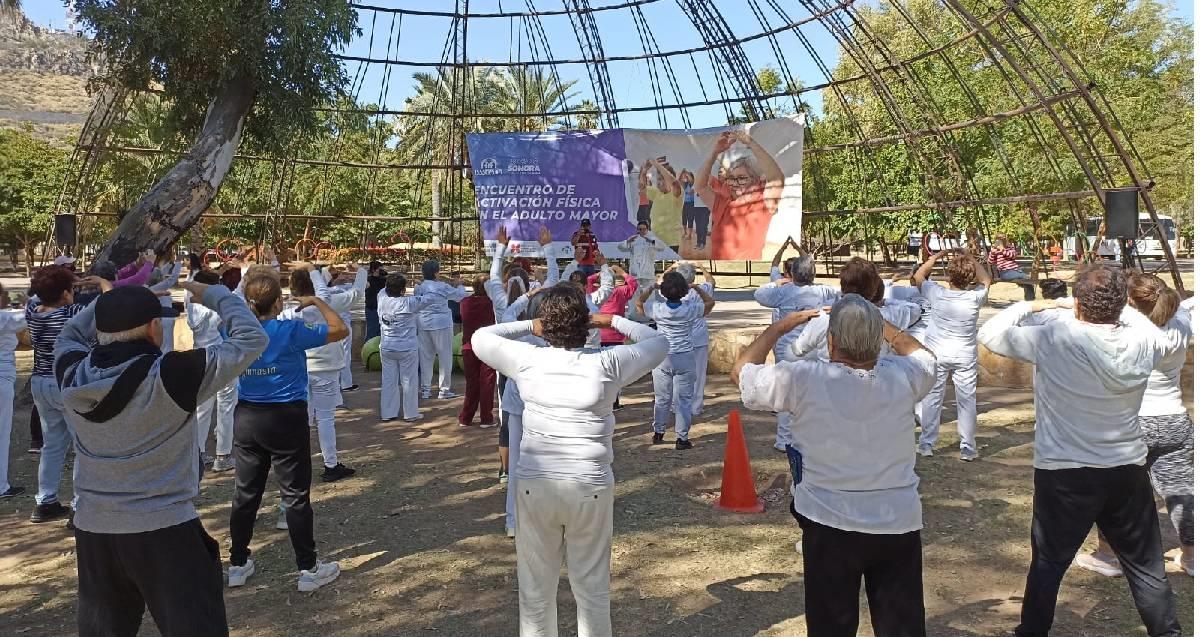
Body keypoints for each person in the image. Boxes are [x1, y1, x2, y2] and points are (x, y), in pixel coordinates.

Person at [978, 264, 1182, 637]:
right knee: (1146, 566)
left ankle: (1032, 631)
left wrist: (1036, 306)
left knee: (1049, 563)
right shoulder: (1147, 341)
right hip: (1125, 468)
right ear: (1122, 304)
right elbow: (1149, 328)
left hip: (1065, 471)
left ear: (1077, 302)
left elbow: (990, 332)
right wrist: (1115, 307)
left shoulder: (1054, 336)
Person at [55, 278, 267, 637]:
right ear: (154, 329)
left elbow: (70, 335)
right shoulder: (173, 374)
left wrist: (110, 300)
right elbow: (252, 339)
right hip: (164, 529)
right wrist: (217, 295)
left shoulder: (71, 373)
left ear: (101, 330)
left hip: (94, 529)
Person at [472, 284, 669, 637]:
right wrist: (612, 320)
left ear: (547, 326)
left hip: (536, 485)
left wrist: (532, 325)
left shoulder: (528, 360)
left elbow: (481, 337)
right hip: (589, 484)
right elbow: (658, 341)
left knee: (535, 593)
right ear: (586, 324)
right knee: (592, 591)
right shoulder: (607, 363)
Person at [735, 294, 936, 637]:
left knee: (831, 626)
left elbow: (741, 372)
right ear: (877, 341)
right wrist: (878, 323)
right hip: (897, 519)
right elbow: (925, 357)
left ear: (830, 341)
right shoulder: (904, 375)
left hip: (828, 521)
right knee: (902, 627)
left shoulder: (803, 378)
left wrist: (782, 325)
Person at [227, 270, 347, 592]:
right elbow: (340, 329)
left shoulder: (239, 332)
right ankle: (308, 570)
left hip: (248, 417)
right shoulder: (291, 329)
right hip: (286, 417)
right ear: (279, 302)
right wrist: (316, 300)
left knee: (245, 493)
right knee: (295, 496)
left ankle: (237, 563)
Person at [1074, 274, 1193, 578]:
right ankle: (1192, 557)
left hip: (1129, 420)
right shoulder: (1180, 322)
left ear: (1129, 303)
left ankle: (1108, 555)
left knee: (1115, 491)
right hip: (1174, 420)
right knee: (1181, 490)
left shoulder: (1127, 328)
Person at [26, 265, 92, 524]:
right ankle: (79, 504)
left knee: (52, 445)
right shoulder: (72, 313)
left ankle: (45, 501)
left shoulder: (34, 313)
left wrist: (63, 283)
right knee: (83, 446)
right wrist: (99, 283)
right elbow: (106, 305)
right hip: (65, 382)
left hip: (40, 382)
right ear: (65, 294)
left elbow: (34, 297)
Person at [755, 251, 839, 451]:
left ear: (791, 273)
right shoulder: (823, 291)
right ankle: (811, 435)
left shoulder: (784, 291)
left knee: (786, 393)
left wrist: (776, 284)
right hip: (813, 347)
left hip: (787, 349)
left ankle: (784, 439)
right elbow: (842, 296)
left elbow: (759, 294)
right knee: (812, 390)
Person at [913, 249, 991, 461]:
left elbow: (918, 276)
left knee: (932, 398)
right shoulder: (975, 297)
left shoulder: (936, 293)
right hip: (964, 355)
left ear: (949, 276)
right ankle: (967, 447)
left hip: (937, 353)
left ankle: (927, 444)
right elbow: (986, 279)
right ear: (970, 277)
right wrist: (971, 258)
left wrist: (935, 258)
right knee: (967, 400)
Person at [636, 271, 715, 450]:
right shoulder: (690, 309)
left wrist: (651, 288)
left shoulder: (658, 308)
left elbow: (639, 304)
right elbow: (710, 303)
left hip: (662, 357)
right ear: (684, 291)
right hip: (685, 356)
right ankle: (682, 437)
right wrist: (697, 288)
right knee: (684, 400)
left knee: (662, 398)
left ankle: (659, 432)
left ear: (663, 291)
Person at [696, 129, 785, 260]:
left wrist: (751, 143)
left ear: (754, 180)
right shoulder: (723, 205)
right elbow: (700, 186)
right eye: (731, 178)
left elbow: (777, 178)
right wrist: (714, 152)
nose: (735, 182)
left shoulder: (762, 202)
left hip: (745, 271)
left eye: (742, 178)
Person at [187, 269, 241, 472]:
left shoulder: (191, 303)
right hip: (221, 357)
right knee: (226, 406)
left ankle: (199, 452)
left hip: (200, 357)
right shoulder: (217, 306)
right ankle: (223, 455)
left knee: (202, 408)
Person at [377, 273, 439, 423]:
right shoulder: (409, 303)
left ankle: (387, 413)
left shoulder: (381, 298)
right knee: (409, 381)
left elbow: (384, 289)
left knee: (388, 381)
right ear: (403, 291)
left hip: (387, 346)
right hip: (406, 347)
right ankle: (410, 413)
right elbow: (431, 297)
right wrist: (421, 285)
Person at [415, 260, 469, 400]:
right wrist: (459, 285)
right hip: (441, 324)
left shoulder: (420, 287)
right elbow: (459, 296)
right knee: (445, 357)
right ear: (436, 273)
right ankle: (444, 390)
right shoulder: (442, 286)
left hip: (423, 323)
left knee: (425, 357)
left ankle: (425, 389)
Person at [590, 266, 639, 411]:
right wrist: (622, 272)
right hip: (616, 335)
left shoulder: (595, 294)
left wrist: (599, 274)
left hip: (599, 335)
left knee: (600, 370)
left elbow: (586, 281)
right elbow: (634, 284)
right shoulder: (621, 292)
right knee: (615, 370)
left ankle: (600, 400)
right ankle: (614, 401)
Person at [673, 262, 717, 417]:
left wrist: (672, 267)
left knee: (678, 373)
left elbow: (658, 282)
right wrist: (701, 267)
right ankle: (695, 406)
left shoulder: (672, 291)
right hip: (698, 338)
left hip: (679, 338)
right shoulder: (700, 290)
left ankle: (676, 404)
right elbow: (711, 281)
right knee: (698, 373)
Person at [458, 275, 498, 428]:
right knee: (487, 383)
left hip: (469, 346)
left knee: (471, 384)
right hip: (488, 346)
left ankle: (466, 418)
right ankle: (486, 418)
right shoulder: (491, 303)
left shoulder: (465, 302)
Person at [0, 282, 26, 498]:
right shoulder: (5, 319)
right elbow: (34, 314)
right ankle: (1, 485)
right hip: (2, 379)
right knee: (2, 433)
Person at [641, 157, 683, 251]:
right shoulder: (656, 193)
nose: (659, 182)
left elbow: (674, 182)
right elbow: (642, 187)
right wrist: (644, 171)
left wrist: (656, 164)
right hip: (655, 241)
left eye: (662, 179)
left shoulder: (676, 194)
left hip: (671, 243)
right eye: (658, 179)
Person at [617, 221, 666, 297]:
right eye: (640, 229)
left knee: (649, 295)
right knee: (634, 295)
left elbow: (662, 247)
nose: (642, 231)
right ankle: (634, 309)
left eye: (644, 229)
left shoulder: (653, 239)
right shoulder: (634, 239)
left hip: (647, 272)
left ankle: (648, 308)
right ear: (637, 230)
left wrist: (650, 241)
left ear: (647, 229)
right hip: (635, 272)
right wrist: (628, 241)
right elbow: (620, 247)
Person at [149, 257, 183, 353]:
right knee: (166, 346)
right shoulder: (158, 287)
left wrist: (169, 264)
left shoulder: (149, 287)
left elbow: (160, 273)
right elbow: (172, 278)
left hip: (160, 319)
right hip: (165, 319)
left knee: (163, 345)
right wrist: (178, 264)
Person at [988, 234, 1035, 301]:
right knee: (1026, 278)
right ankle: (1030, 300)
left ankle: (1030, 300)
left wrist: (1003, 250)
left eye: (1003, 238)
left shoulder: (1010, 247)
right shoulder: (995, 250)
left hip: (1015, 270)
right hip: (1005, 272)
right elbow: (990, 262)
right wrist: (992, 253)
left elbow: (1012, 255)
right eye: (999, 238)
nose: (1001, 240)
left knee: (1028, 282)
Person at [365, 261, 387, 341]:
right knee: (371, 333)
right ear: (374, 270)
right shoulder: (368, 280)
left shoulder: (383, 280)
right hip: (372, 309)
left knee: (380, 333)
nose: (380, 271)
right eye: (378, 269)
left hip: (382, 309)